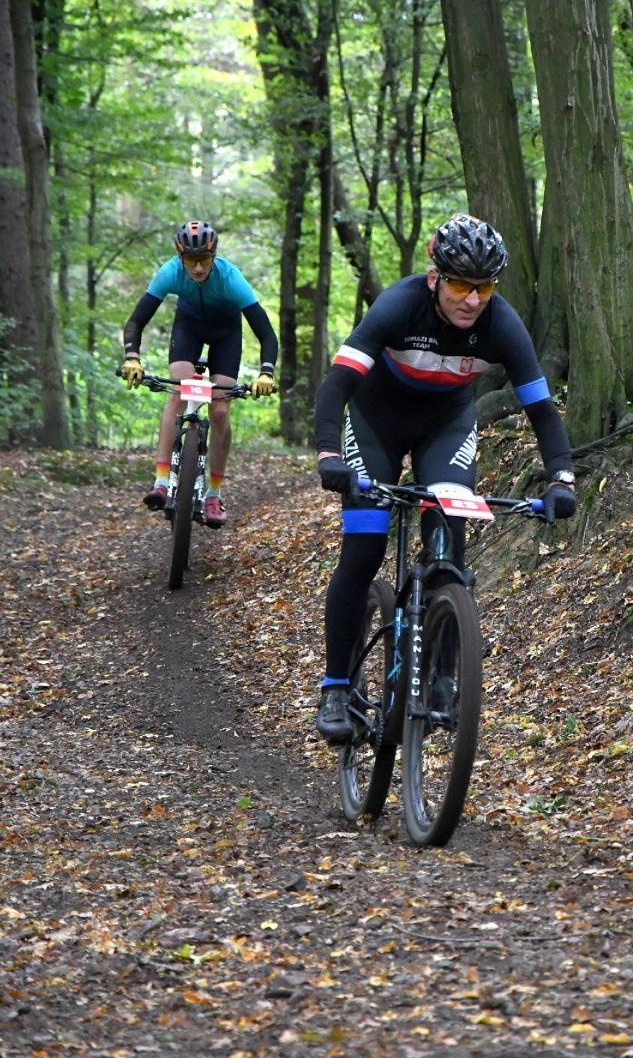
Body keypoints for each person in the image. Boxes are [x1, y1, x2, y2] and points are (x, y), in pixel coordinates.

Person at [312, 212, 577, 745]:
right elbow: (336, 384)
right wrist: (327, 455)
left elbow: (542, 410)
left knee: (449, 540)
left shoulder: (502, 324)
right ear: (435, 278)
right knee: (364, 550)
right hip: (376, 424)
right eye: (460, 285)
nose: (472, 300)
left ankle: (445, 677)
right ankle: (336, 686)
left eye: (485, 288)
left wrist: (561, 478)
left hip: (446, 426)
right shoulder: (398, 305)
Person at [120, 220, 278, 527]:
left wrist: (266, 373)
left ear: (213, 255)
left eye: (204, 259)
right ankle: (162, 481)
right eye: (190, 260)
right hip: (188, 328)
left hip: (226, 334)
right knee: (179, 392)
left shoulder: (230, 278)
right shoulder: (170, 272)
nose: (197, 268)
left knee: (220, 410)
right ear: (180, 257)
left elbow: (267, 334)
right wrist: (132, 358)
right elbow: (136, 321)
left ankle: (213, 494)